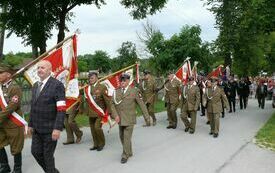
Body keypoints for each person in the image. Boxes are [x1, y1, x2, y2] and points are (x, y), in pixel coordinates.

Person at [28, 60, 66, 173]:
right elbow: (33, 107)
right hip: (37, 129)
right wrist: (30, 124)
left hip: (50, 129)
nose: (39, 70)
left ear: (50, 70)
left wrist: (57, 128)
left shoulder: (57, 85)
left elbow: (61, 109)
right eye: (38, 68)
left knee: (47, 156)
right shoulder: (35, 86)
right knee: (35, 152)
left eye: (43, 68)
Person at [111, 73, 150, 164]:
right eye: (121, 80)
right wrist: (115, 115)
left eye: (124, 80)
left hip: (129, 118)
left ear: (128, 81)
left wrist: (147, 117)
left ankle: (125, 155)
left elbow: (141, 104)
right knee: (121, 136)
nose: (122, 82)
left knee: (126, 137)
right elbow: (112, 104)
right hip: (120, 118)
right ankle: (129, 151)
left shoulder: (134, 91)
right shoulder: (116, 91)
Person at [0, 65, 24, 173]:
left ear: (8, 74)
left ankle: (17, 168)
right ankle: (5, 166)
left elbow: (11, 107)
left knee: (16, 147)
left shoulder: (14, 87)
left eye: (1, 73)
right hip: (2, 123)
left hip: (13, 122)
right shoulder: (1, 87)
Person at [83, 70, 112, 151]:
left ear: (96, 78)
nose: (90, 79)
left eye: (92, 78)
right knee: (92, 129)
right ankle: (95, 144)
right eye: (89, 78)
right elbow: (86, 100)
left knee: (97, 128)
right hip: (90, 112)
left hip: (99, 112)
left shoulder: (102, 87)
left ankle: (101, 143)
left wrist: (109, 112)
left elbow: (107, 100)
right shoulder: (87, 88)